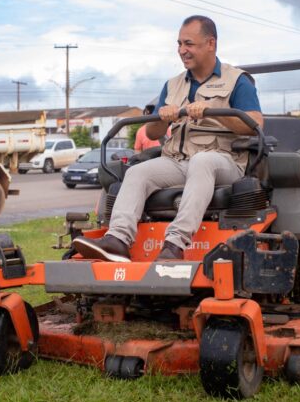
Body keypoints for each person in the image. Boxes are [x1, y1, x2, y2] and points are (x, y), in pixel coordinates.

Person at [73, 15, 263, 261]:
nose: (182, 50)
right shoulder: (172, 85)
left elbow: (256, 124)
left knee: (202, 162)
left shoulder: (237, 80)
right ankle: (117, 239)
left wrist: (211, 111)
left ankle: (174, 245)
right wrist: (162, 118)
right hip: (177, 161)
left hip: (224, 161)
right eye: (179, 44)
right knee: (137, 172)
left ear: (211, 44)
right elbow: (152, 133)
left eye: (189, 44)